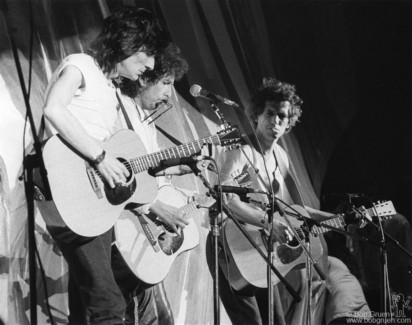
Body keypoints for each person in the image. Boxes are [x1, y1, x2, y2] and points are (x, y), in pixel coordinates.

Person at [41, 6, 170, 324]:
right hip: (69, 193)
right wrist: (99, 158)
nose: (151, 65)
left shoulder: (112, 93)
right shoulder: (81, 64)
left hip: (92, 205)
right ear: (126, 43)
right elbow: (54, 109)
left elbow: (116, 158)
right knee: (109, 306)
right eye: (146, 54)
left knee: (88, 305)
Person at [216, 77, 370, 324]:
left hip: (264, 254)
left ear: (289, 122)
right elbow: (225, 197)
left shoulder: (281, 156)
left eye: (282, 116)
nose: (275, 121)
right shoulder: (240, 149)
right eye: (270, 113)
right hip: (232, 248)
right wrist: (268, 222)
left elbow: (297, 211)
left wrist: (338, 220)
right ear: (257, 114)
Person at [112, 42, 194, 325]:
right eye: (166, 83)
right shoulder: (119, 108)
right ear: (144, 78)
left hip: (139, 231)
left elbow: (146, 177)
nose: (169, 94)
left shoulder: (146, 123)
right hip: (119, 233)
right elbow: (118, 174)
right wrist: (154, 206)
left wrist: (174, 169)